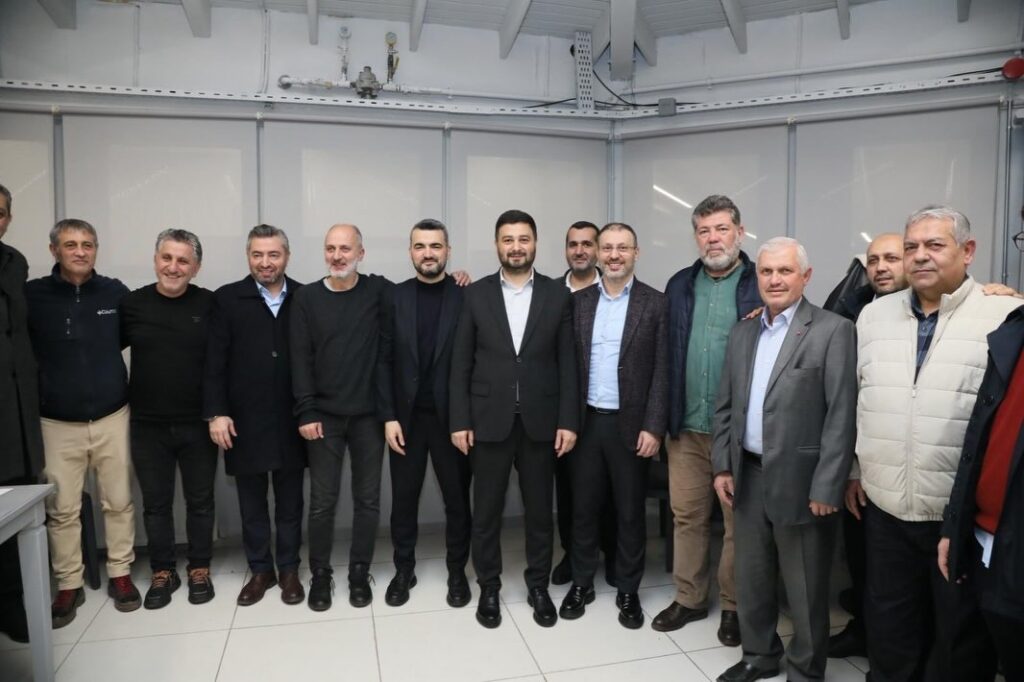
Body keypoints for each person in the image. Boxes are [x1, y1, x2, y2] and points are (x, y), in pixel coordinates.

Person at [853, 205, 1020, 682]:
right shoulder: (873, 316)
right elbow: (859, 398)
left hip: (958, 516)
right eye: (911, 247)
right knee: (890, 632)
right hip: (885, 507)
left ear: (968, 251)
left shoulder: (1004, 316)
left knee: (957, 642)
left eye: (934, 245)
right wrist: (854, 471)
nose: (920, 255)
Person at [712, 237, 857, 682]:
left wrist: (828, 485)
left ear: (805, 276)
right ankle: (758, 655)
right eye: (766, 271)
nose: (774, 279)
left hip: (804, 481)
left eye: (785, 271)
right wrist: (722, 465)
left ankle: (805, 670)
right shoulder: (743, 332)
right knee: (752, 577)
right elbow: (725, 406)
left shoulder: (833, 330)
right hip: (748, 475)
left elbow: (841, 414)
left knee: (805, 585)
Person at [449, 209, 578, 629]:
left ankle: (538, 585)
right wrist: (459, 420)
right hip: (488, 421)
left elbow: (568, 363)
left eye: (523, 239)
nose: (516, 247)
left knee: (540, 513)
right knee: (485, 512)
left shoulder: (558, 295)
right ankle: (488, 586)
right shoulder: (475, 295)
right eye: (508, 239)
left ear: (535, 243)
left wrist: (568, 420)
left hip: (542, 423)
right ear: (497, 245)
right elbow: (460, 363)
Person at [653, 195, 761, 647]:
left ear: (739, 232)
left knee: (738, 523)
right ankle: (690, 598)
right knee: (687, 516)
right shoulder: (679, 284)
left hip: (737, 431)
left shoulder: (762, 282)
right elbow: (664, 356)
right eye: (704, 231)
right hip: (687, 427)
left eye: (721, 229)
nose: (713, 239)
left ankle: (733, 605)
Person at [26, 218, 140, 626]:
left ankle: (121, 573)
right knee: (62, 509)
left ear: (96, 249)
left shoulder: (115, 293)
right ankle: (68, 584)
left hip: (112, 415)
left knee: (119, 501)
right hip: (56, 422)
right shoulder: (33, 296)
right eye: (71, 244)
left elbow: (123, 339)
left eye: (87, 244)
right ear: (54, 250)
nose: (80, 251)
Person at [560, 222, 668, 629]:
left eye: (623, 248)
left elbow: (663, 371)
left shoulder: (655, 303)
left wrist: (654, 427)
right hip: (586, 423)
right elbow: (566, 368)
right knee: (583, 509)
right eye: (607, 248)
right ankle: (582, 583)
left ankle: (627, 588)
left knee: (629, 513)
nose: (614, 255)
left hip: (632, 426)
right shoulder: (578, 302)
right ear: (598, 254)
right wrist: (566, 421)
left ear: (636, 253)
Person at [291, 223, 393, 611]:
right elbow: (300, 358)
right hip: (323, 419)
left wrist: (457, 278)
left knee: (368, 501)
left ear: (360, 254)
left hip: (368, 418)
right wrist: (306, 410)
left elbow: (422, 285)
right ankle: (320, 574)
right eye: (331, 248)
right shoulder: (307, 298)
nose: (337, 256)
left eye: (345, 249)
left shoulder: (379, 291)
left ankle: (358, 572)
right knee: (322, 502)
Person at [204, 224, 307, 607]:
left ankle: (290, 570)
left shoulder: (305, 297)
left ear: (287, 256)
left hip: (293, 419)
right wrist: (216, 413)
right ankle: (261, 570)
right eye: (257, 255)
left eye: (273, 254)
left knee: (291, 502)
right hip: (243, 421)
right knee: (252, 504)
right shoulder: (227, 299)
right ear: (248, 257)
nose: (265, 262)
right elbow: (214, 362)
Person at [120, 229, 216, 608]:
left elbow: (222, 363)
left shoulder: (209, 304)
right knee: (155, 504)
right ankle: (163, 571)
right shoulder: (132, 304)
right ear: (155, 259)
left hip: (198, 424)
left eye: (182, 260)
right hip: (147, 425)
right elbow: (102, 352)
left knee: (200, 501)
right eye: (167, 258)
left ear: (196, 267)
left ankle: (199, 568)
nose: (173, 267)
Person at [380, 219, 473, 608]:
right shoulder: (395, 297)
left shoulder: (467, 295)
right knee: (403, 501)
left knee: (457, 501)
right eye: (420, 246)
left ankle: (457, 571)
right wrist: (388, 417)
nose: (428, 253)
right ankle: (404, 569)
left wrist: (466, 419)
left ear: (448, 250)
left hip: (453, 422)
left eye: (435, 246)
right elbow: (383, 360)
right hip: (406, 421)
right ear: (410, 252)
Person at [939, 304, 1024, 682]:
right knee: (966, 658)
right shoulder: (1015, 328)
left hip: (1015, 552)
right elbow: (978, 437)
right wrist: (953, 527)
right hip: (981, 540)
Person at [553, 220, 616, 587]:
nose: (580, 250)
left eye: (587, 244)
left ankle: (609, 552)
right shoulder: (550, 292)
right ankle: (573, 553)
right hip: (563, 411)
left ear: (598, 250)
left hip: (605, 409)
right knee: (568, 489)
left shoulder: (614, 290)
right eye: (573, 244)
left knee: (607, 489)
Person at [0, 183, 44, 642]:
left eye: (0, 212)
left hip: (17, 409)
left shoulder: (15, 263)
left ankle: (13, 604)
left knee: (15, 510)